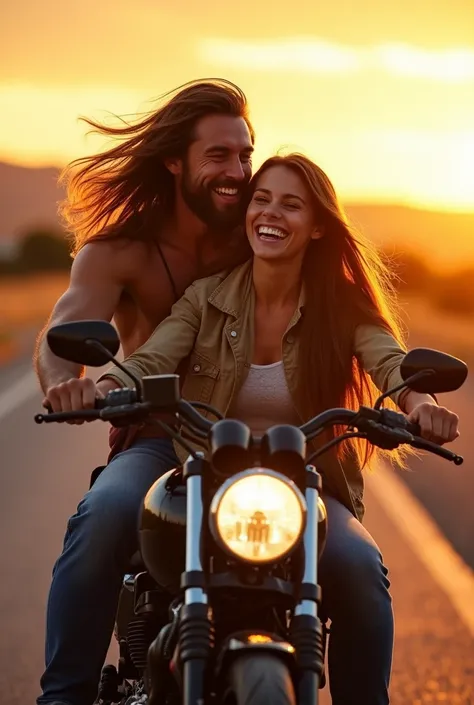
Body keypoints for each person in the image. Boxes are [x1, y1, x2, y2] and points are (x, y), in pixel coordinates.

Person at [72, 153, 459, 705]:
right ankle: (65, 694)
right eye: (262, 199)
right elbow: (149, 359)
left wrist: (421, 402)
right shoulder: (206, 297)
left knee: (362, 573)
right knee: (107, 515)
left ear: (319, 225)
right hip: (203, 476)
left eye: (291, 204)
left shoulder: (342, 307)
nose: (270, 212)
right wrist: (104, 389)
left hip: (308, 487)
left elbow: (391, 363)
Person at [35, 78, 255, 705]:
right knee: (103, 514)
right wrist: (66, 385)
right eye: (219, 155)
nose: (237, 171)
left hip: (266, 445)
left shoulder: (260, 235)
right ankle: (64, 695)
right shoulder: (121, 249)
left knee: (343, 558)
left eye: (244, 154)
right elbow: (65, 326)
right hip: (161, 444)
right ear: (174, 160)